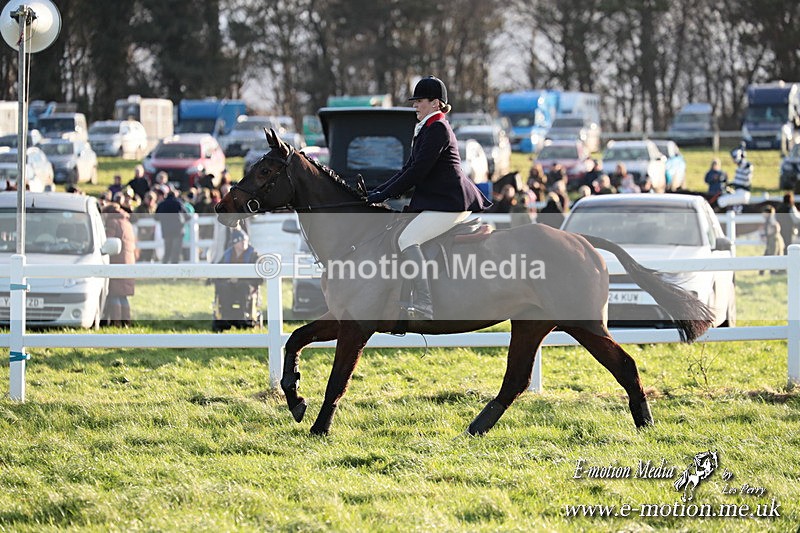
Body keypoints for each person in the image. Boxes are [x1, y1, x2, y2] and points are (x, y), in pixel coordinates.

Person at [366, 75, 491, 319]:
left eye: (419, 101)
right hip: (440, 201)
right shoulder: (427, 128)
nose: (415, 105)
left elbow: (417, 172)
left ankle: (425, 302)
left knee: (407, 239)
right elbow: (407, 169)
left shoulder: (438, 129)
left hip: (451, 203)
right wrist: (378, 192)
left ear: (435, 103)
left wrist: (385, 194)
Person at [213, 229, 261, 331]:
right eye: (241, 241)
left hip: (246, 285)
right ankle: (225, 316)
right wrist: (229, 279)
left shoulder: (254, 255)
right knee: (223, 287)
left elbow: (258, 277)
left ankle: (244, 315)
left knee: (244, 286)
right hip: (229, 284)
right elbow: (219, 271)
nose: (244, 243)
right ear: (235, 243)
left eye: (245, 240)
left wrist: (239, 279)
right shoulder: (227, 255)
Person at [102, 202, 137, 327]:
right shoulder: (127, 222)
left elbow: (107, 241)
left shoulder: (113, 222)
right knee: (123, 295)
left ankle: (115, 322)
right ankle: (126, 321)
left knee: (114, 293)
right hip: (129, 261)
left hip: (117, 260)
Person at [155, 187, 189, 264]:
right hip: (178, 231)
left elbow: (156, 217)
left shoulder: (162, 204)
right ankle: (174, 269)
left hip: (166, 231)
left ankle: (164, 268)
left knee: (167, 252)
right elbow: (187, 216)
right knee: (176, 253)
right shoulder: (178, 203)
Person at [718, 143, 752, 209]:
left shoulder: (746, 166)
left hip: (742, 194)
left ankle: (729, 214)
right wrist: (729, 184)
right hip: (738, 193)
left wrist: (742, 151)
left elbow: (745, 180)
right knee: (724, 196)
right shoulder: (739, 168)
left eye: (733, 158)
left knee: (721, 200)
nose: (733, 160)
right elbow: (738, 182)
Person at [760, 205, 784, 275]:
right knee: (769, 255)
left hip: (773, 240)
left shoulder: (771, 219)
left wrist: (771, 234)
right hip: (771, 239)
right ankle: (764, 272)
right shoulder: (769, 219)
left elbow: (776, 227)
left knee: (772, 255)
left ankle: (771, 271)